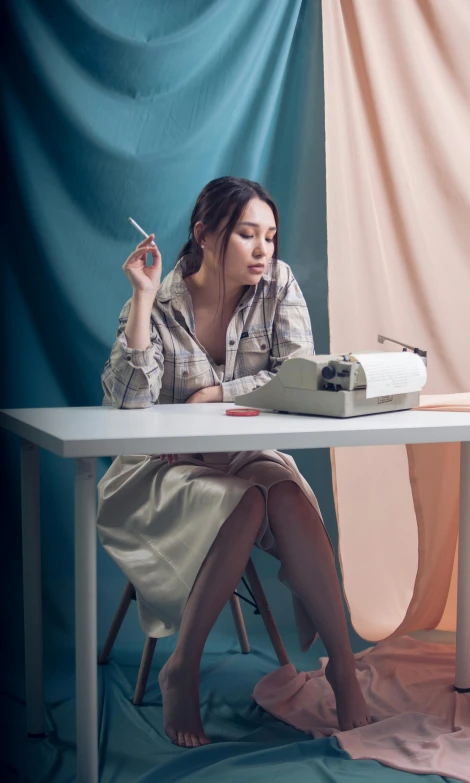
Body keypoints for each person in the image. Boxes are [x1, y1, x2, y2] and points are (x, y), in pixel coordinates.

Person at [97, 176, 371, 749]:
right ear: (205, 234)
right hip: (159, 468)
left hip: (241, 455)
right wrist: (143, 301)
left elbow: (301, 373)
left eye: (269, 235)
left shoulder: (279, 283)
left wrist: (217, 394)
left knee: (288, 495)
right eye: (247, 234)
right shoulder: (159, 300)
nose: (263, 248)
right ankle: (184, 667)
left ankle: (343, 668)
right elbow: (125, 407)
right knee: (245, 501)